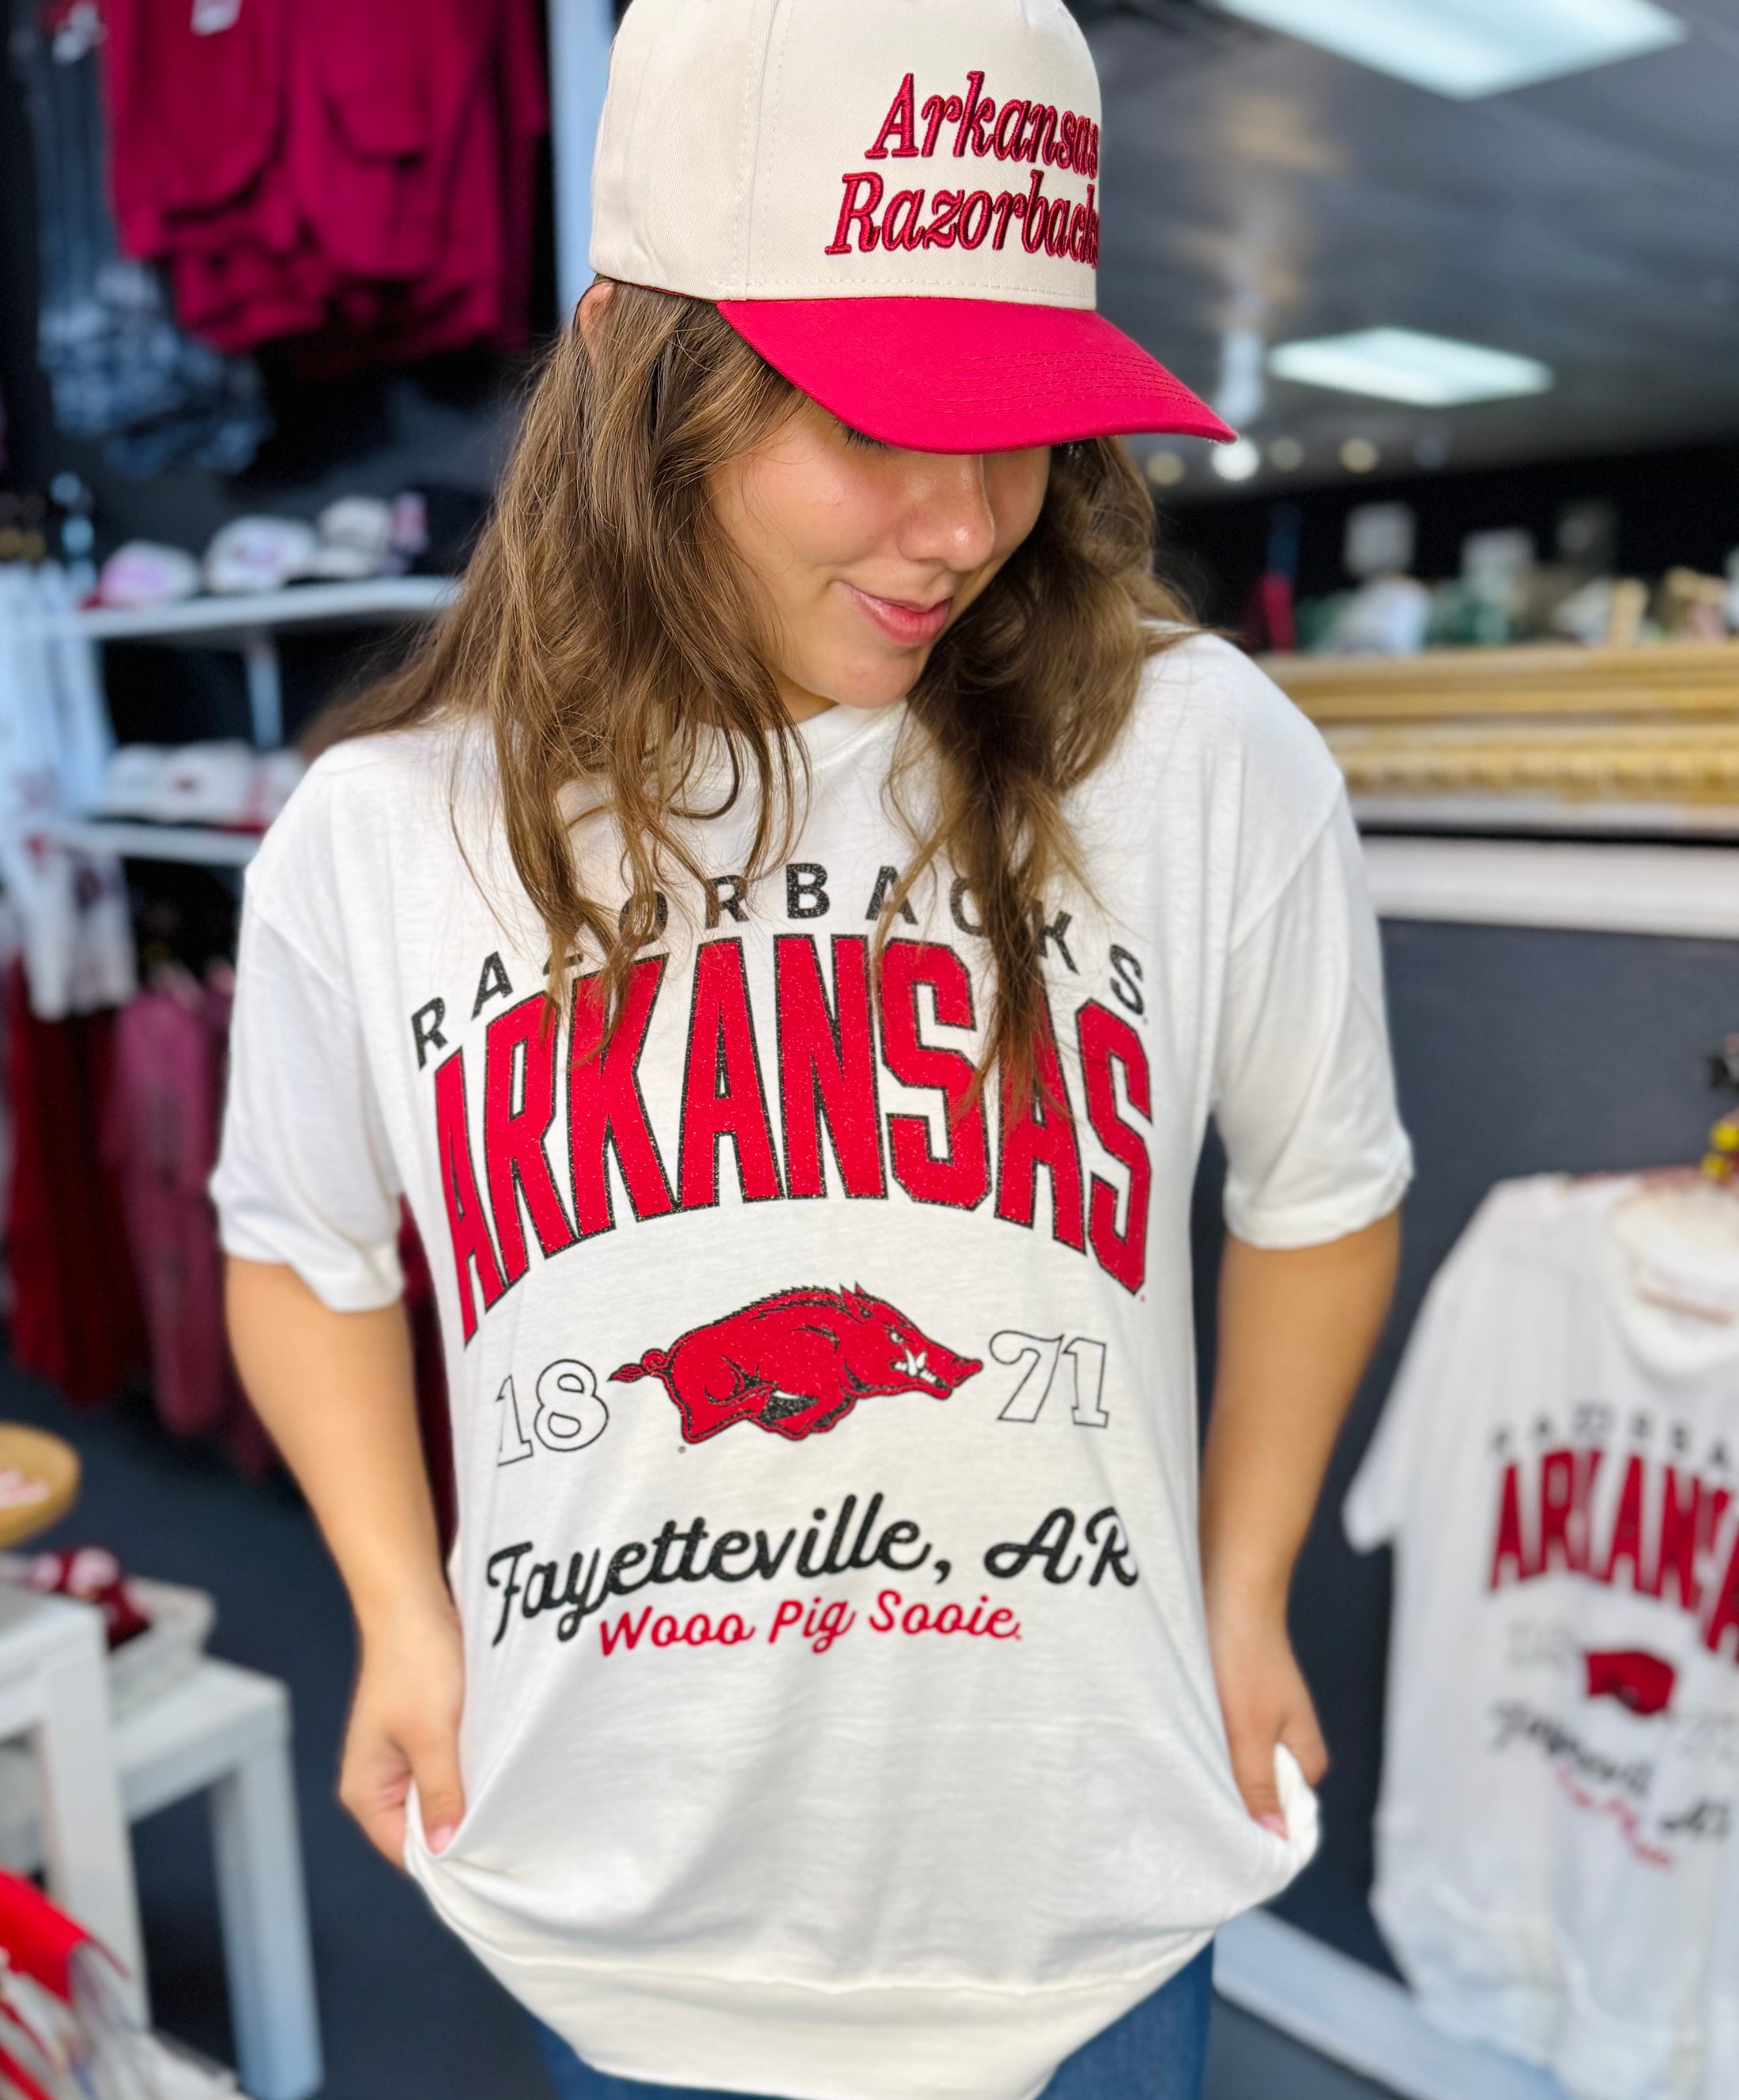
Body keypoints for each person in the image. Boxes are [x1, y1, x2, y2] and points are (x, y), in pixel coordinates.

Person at [213, 1, 1412, 2095]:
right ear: (628, 362)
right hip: (627, 1898)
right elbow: (299, 1248)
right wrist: (404, 1614)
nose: (960, 523)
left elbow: (1326, 1192)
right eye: (869, 417)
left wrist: (1241, 1588)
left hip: (1081, 1895)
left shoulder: (1202, 753)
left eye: (1020, 420)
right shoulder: (384, 835)